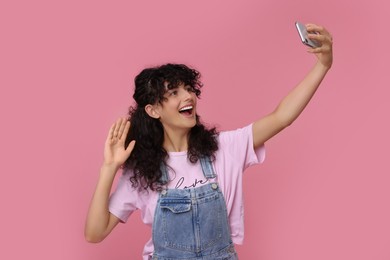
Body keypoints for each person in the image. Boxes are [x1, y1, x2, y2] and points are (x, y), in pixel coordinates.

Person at [85, 23, 333, 259]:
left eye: (189, 89)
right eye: (174, 93)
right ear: (153, 111)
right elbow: (95, 233)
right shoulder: (143, 171)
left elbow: (282, 117)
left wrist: (322, 66)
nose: (188, 96)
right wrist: (109, 168)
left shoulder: (225, 148)